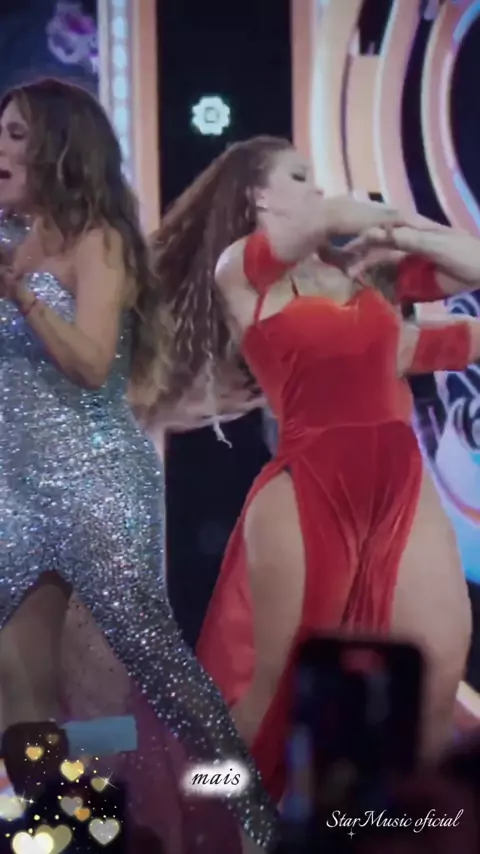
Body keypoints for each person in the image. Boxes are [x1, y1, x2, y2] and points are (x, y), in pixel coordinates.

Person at [147, 135, 479, 804]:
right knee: (277, 689)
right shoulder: (242, 273)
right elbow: (319, 224)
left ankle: (404, 831)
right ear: (258, 196)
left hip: (400, 483)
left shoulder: (363, 277)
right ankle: (211, 813)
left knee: (439, 660)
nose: (317, 188)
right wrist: (347, 217)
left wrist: (401, 230)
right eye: (299, 177)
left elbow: (470, 267)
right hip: (311, 487)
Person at [0, 80, 279, 853]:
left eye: (14, 135)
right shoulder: (6, 241)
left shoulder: (102, 242)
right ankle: (69, 832)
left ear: (60, 148)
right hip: (15, 491)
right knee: (17, 687)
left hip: (96, 482)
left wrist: (22, 295)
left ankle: (253, 821)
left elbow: (93, 365)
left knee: (160, 675)